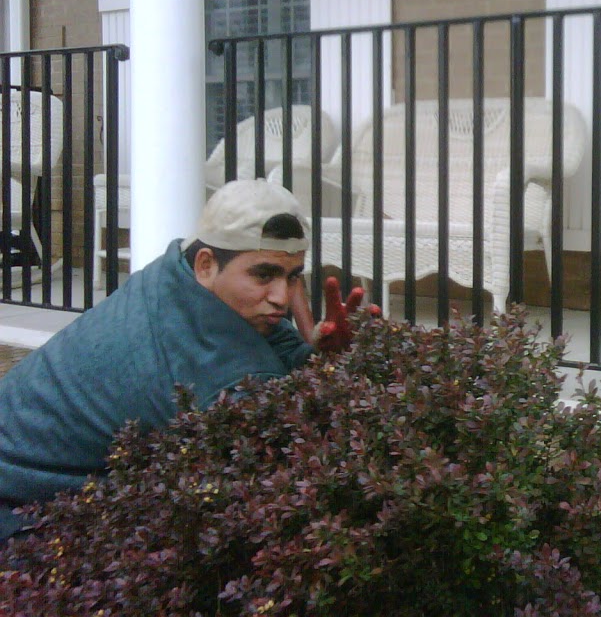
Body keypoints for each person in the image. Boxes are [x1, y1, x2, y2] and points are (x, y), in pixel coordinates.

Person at [0, 178, 369, 542]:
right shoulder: (224, 377)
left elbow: (275, 345)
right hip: (19, 511)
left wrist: (320, 355)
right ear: (206, 265)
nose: (281, 298)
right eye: (263, 275)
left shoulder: (173, 271)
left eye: (291, 277)